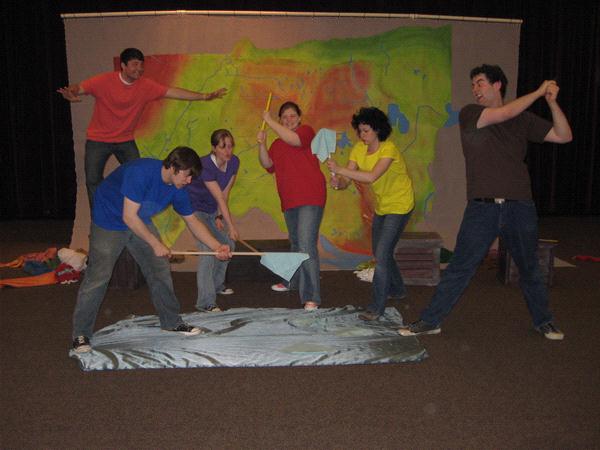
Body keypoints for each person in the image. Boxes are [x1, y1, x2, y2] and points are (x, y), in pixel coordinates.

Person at [398, 64, 572, 340]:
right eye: (473, 85)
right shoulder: (471, 114)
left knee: (529, 267)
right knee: (461, 267)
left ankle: (544, 321)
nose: (475, 90)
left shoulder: (524, 119)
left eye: (480, 83)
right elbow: (503, 113)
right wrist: (539, 91)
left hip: (519, 206)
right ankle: (431, 320)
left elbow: (564, 136)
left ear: (497, 85)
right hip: (483, 208)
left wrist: (551, 103)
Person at [71, 146, 232, 353]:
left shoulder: (179, 188)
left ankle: (171, 322)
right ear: (173, 167)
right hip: (109, 218)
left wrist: (217, 246)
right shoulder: (141, 172)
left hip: (139, 219)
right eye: (187, 175)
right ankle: (80, 335)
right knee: (98, 277)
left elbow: (192, 221)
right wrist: (156, 243)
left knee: (159, 269)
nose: (189, 181)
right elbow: (128, 217)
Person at [57, 47, 228, 208]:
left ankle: (137, 212)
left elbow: (173, 92)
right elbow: (78, 88)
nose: (139, 68)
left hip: (125, 140)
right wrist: (70, 92)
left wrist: (205, 96)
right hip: (98, 140)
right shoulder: (104, 80)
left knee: (138, 175)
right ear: (123, 66)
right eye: (135, 64)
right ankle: (99, 219)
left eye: (141, 65)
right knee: (93, 180)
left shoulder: (146, 86)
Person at [327, 107, 415, 321]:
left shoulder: (389, 149)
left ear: (377, 130)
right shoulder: (358, 149)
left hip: (401, 204)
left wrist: (340, 170)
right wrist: (338, 182)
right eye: (360, 131)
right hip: (383, 205)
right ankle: (399, 289)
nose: (362, 135)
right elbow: (349, 179)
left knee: (382, 256)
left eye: (366, 131)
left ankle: (376, 308)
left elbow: (371, 176)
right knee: (380, 251)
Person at [257, 101, 326, 311]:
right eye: (284, 117)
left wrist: (269, 121)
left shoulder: (306, 132)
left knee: (306, 246)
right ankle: (293, 282)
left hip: (310, 197)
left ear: (299, 118)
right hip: (289, 200)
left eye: (292, 116)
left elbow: (295, 141)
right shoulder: (277, 144)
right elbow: (268, 164)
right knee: (296, 245)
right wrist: (262, 143)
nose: (288, 120)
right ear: (281, 120)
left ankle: (312, 297)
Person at [185, 129, 240, 312]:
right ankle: (206, 302)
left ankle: (217, 285)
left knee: (228, 244)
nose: (228, 151)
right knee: (209, 250)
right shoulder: (204, 165)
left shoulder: (234, 162)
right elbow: (219, 197)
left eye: (230, 146)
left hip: (210, 210)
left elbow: (225, 192)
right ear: (214, 148)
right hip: (194, 210)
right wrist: (231, 226)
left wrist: (218, 216)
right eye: (223, 147)